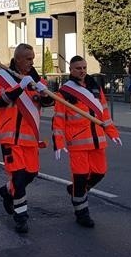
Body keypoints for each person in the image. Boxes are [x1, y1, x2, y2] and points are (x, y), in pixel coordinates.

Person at [52, 56, 122, 228]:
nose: (82, 71)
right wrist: (59, 143)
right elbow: (59, 120)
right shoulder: (65, 93)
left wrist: (112, 132)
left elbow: (104, 114)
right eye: (78, 68)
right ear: (71, 70)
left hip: (98, 140)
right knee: (80, 177)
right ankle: (81, 212)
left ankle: (76, 191)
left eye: (84, 67)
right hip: (77, 143)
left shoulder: (95, 88)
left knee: (99, 173)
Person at [0, 44, 53, 234]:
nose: (31, 62)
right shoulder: (2, 77)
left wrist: (45, 94)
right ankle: (21, 217)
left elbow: (48, 103)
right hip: (10, 138)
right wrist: (19, 87)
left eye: (32, 58)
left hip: (30, 139)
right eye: (28, 58)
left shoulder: (37, 79)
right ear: (17, 59)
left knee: (31, 174)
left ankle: (6, 191)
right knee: (18, 178)